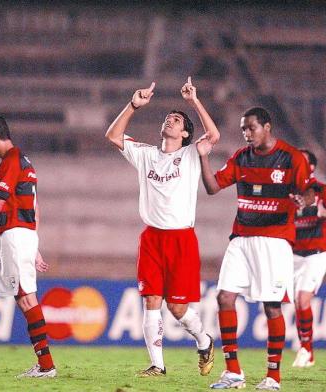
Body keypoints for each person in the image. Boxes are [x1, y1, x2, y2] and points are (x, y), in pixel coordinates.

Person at [105, 77, 220, 377]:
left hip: (182, 239)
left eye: (177, 120)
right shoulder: (146, 154)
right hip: (152, 238)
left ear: (184, 133)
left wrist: (193, 101)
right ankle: (157, 365)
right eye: (169, 117)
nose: (171, 120)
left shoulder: (192, 154)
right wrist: (133, 105)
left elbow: (213, 135)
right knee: (151, 301)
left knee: (177, 310)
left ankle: (204, 340)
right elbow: (113, 135)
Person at [197, 107, 312, 390]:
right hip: (241, 238)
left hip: (274, 241)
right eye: (243, 130)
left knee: (272, 307)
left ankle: (273, 376)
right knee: (224, 298)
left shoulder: (291, 157)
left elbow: (309, 190)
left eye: (251, 128)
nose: (247, 134)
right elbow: (213, 187)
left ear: (267, 127)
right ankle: (233, 372)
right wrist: (203, 156)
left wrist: (303, 200)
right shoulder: (241, 157)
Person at [0, 114, 56, 378]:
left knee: (26, 298)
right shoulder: (24, 161)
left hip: (14, 237)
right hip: (10, 236)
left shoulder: (11, 161)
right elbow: (34, 206)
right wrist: (35, 243)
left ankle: (46, 365)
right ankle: (45, 365)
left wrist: (29, 240)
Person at [292, 149, 326, 368]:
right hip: (293, 254)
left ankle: (306, 350)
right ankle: (305, 348)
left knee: (303, 299)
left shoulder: (322, 190)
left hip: (316, 253)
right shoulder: (288, 190)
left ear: (311, 167)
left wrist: (322, 212)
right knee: (296, 301)